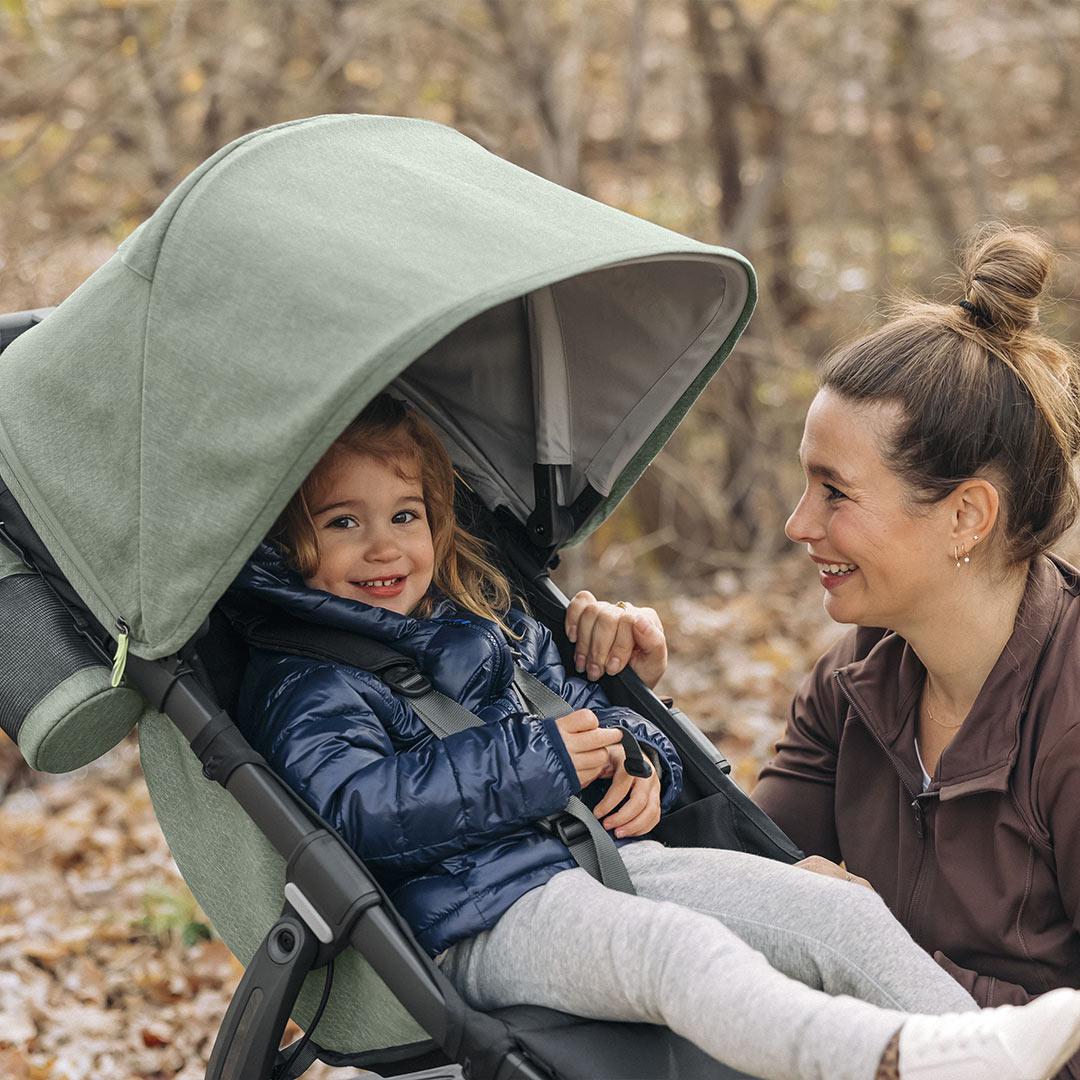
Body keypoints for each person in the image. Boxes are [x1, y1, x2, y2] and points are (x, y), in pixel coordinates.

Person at [229, 391, 1080, 1080]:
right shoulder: (306, 676)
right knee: (680, 952)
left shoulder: (486, 624)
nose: (383, 545)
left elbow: (604, 728)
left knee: (835, 910)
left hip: (601, 862)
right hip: (479, 918)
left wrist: (640, 760)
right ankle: (889, 1059)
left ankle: (977, 1054)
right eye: (344, 522)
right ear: (293, 536)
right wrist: (542, 758)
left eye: (405, 516)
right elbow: (354, 811)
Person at [740, 224, 1080, 1067]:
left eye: (835, 492)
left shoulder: (1071, 723)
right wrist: (629, 712)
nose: (798, 525)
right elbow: (745, 882)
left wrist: (868, 955)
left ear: (966, 515)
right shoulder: (855, 680)